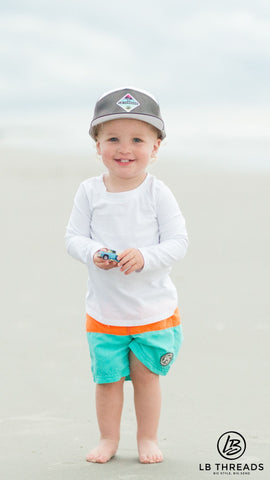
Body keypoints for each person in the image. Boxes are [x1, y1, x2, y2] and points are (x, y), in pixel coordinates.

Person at [65, 87, 188, 464]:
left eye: (138, 139)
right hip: (104, 312)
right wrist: (93, 252)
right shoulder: (89, 191)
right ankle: (108, 439)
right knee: (107, 380)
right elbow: (73, 238)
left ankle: (147, 438)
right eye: (112, 138)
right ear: (97, 144)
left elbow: (178, 242)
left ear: (156, 147)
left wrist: (145, 257)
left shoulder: (157, 193)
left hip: (152, 311)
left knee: (148, 379)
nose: (125, 148)